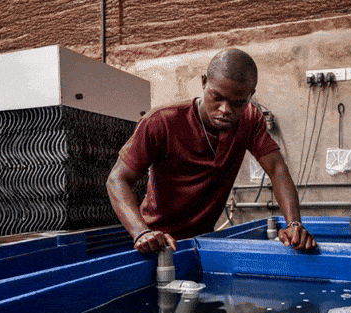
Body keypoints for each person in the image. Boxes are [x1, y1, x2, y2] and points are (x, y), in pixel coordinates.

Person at [106, 48, 316, 253]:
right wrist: (141, 233)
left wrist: (294, 224)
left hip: (203, 242)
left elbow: (277, 168)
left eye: (238, 102)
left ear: (250, 95)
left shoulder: (250, 120)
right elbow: (117, 179)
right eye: (217, 97)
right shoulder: (161, 122)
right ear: (204, 82)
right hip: (157, 243)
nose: (225, 110)